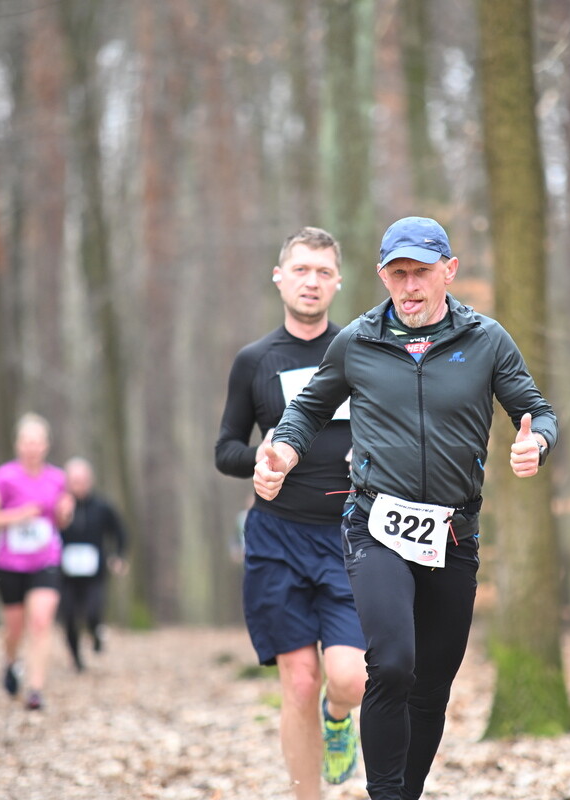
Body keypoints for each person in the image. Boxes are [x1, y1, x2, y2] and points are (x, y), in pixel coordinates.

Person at [254, 216, 557, 800]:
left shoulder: (486, 340)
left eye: (422, 272)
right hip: (376, 528)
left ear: (449, 270)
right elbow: (309, 409)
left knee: (432, 686)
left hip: (454, 533)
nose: (410, 287)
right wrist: (283, 453)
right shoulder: (358, 342)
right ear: (382, 276)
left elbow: (536, 409)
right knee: (391, 663)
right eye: (398, 274)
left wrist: (534, 442)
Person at [216, 226, 366, 797]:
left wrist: (373, 452)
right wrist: (265, 455)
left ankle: (339, 720)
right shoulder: (255, 361)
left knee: (348, 678)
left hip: (350, 537)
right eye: (301, 269)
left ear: (337, 283)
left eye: (323, 272)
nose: (311, 281)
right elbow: (225, 449)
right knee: (299, 682)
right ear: (280, 276)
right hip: (277, 538)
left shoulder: (358, 351)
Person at [0, 413, 72, 712]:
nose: (31, 448)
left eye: (37, 442)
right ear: (18, 445)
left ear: (46, 446)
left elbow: (62, 520)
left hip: (46, 560)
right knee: (14, 628)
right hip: (8, 564)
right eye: (26, 442)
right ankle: (10, 660)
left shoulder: (58, 478)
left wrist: (65, 512)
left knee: (41, 621)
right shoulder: (3, 477)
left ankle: (35, 689)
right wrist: (17, 515)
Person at [58, 457, 127, 672]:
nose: (79, 485)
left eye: (83, 480)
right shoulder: (59, 506)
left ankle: (96, 632)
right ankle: (76, 658)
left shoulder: (102, 507)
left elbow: (120, 533)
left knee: (93, 611)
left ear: (90, 480)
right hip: (65, 572)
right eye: (74, 480)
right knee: (68, 615)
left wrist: (118, 556)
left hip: (94, 572)